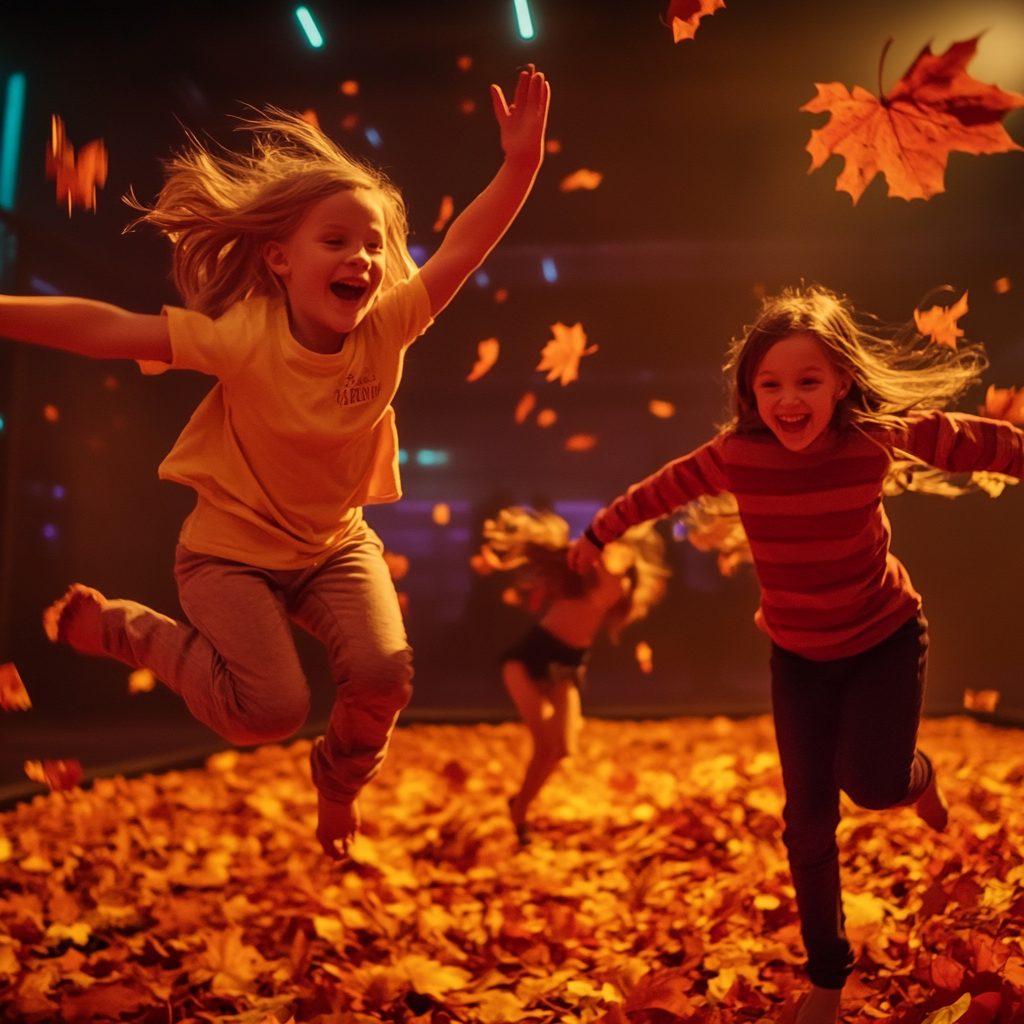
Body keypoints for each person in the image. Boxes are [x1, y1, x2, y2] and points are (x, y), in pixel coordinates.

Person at [1, 66, 551, 859]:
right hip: (227, 557)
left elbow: (463, 248)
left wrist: (520, 166)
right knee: (268, 712)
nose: (361, 258)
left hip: (333, 547)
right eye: (336, 241)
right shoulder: (240, 337)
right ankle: (130, 633)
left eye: (371, 244)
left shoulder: (388, 326)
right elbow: (106, 328)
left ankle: (338, 786)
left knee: (385, 675)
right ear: (279, 260)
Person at [566, 286, 1024, 1023]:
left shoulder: (875, 435)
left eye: (807, 381)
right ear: (749, 391)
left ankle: (916, 776)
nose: (788, 399)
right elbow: (661, 491)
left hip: (883, 638)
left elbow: (977, 443)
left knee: (871, 785)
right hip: (799, 659)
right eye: (769, 384)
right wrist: (597, 533)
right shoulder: (736, 456)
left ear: (841, 381)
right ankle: (827, 982)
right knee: (807, 821)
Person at [471, 506, 669, 843]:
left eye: (623, 549)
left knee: (564, 748)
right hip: (530, 657)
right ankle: (519, 816)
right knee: (546, 745)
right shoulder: (579, 568)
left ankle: (519, 802)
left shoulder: (621, 587)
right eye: (610, 546)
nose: (616, 552)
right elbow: (539, 555)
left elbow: (622, 609)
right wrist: (500, 563)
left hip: (569, 666)